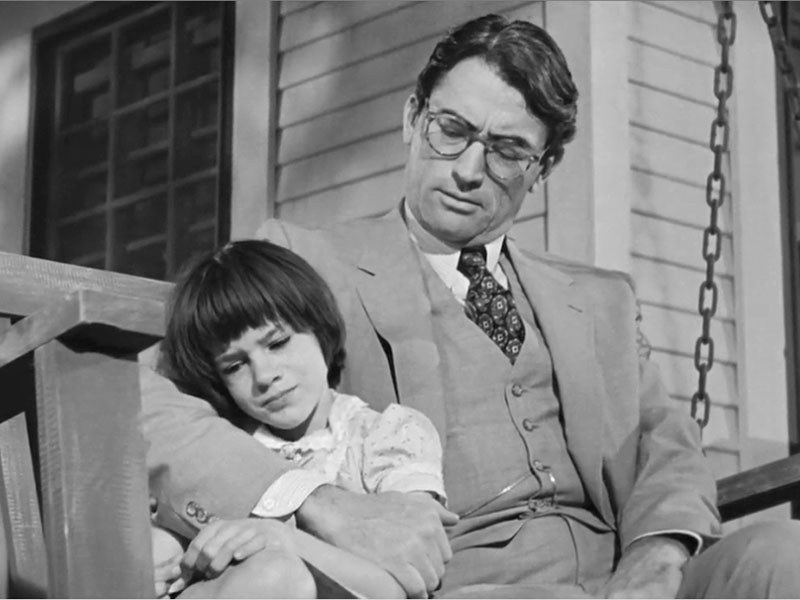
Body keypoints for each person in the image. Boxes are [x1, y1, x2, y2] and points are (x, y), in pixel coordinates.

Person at [141, 13, 800, 599]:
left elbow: (667, 449)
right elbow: (150, 405)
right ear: (412, 119)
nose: (466, 170)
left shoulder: (600, 301)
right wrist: (320, 503)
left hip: (618, 578)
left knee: (780, 554)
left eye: (508, 150)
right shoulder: (304, 260)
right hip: (456, 586)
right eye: (451, 131)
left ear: (543, 168)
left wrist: (654, 566)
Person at [148, 239, 445, 598]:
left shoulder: (390, 434)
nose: (264, 375)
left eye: (277, 344)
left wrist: (283, 538)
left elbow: (401, 582)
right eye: (235, 365)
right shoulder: (231, 453)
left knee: (277, 574)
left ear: (319, 327)